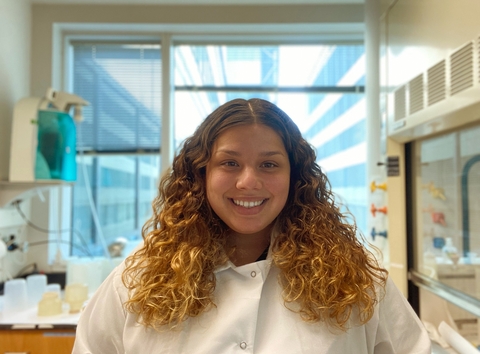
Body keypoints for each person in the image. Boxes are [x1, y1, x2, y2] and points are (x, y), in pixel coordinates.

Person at [72, 98, 431, 353]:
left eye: (269, 165)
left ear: (296, 177)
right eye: (229, 163)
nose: (248, 182)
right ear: (201, 174)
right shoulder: (138, 280)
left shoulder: (356, 279)